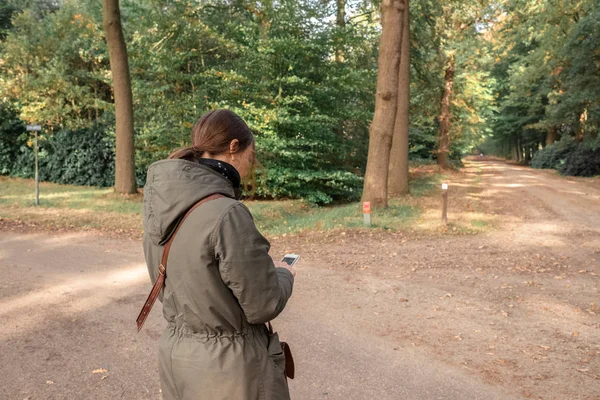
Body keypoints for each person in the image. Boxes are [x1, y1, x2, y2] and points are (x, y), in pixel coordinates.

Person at [142, 109, 296, 400]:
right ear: (234, 148)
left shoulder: (161, 210)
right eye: (251, 157)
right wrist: (285, 274)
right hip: (231, 372)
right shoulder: (227, 213)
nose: (250, 167)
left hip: (179, 359)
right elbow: (264, 304)